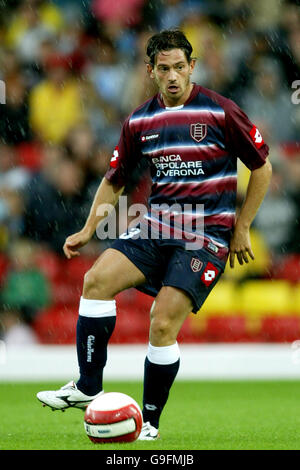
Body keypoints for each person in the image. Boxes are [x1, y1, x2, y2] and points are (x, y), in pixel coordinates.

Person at [37, 30, 272, 440]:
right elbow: (115, 180)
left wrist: (243, 227)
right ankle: (87, 385)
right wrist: (89, 228)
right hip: (155, 226)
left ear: (192, 67)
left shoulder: (220, 111)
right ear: (151, 72)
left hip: (205, 235)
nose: (173, 76)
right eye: (164, 69)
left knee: (161, 322)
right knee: (94, 282)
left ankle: (149, 422)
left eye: (180, 67)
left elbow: (263, 166)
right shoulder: (139, 121)